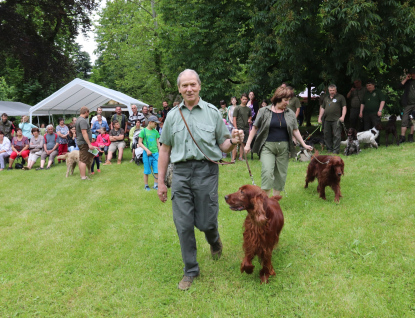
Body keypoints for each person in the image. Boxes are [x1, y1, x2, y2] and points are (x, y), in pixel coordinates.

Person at [157, 69, 244, 291]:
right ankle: (191, 270)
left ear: (199, 86)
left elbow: (223, 145)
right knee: (183, 225)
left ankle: (214, 240)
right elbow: (165, 149)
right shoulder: (172, 116)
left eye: (192, 84)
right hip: (181, 174)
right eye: (184, 85)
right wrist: (161, 182)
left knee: (206, 222)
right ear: (179, 88)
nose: (189, 89)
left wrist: (233, 141)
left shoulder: (213, 113)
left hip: (207, 172)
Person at [245, 86, 313, 196]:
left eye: (289, 100)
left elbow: (295, 130)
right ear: (278, 98)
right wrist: (247, 144)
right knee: (267, 173)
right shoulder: (264, 111)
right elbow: (255, 128)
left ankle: (274, 202)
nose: (288, 102)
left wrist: (304, 144)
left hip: (284, 148)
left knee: (281, 175)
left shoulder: (290, 113)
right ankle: (266, 201)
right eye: (286, 100)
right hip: (267, 147)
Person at [318, 84, 347, 154]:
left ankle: (336, 150)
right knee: (327, 135)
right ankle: (329, 149)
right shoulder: (326, 98)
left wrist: (343, 116)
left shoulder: (340, 97)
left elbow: (344, 107)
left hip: (336, 120)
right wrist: (319, 118)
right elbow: (322, 108)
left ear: (336, 90)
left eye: (333, 90)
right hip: (327, 120)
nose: (332, 92)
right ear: (328, 91)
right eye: (330, 90)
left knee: (337, 135)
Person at [138, 115, 161, 190]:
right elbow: (140, 143)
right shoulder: (143, 131)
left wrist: (160, 152)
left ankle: (156, 185)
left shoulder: (156, 132)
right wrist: (147, 150)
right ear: (150, 122)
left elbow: (158, 143)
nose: (156, 125)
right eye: (155, 124)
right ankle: (146, 185)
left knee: (156, 170)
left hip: (155, 154)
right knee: (147, 170)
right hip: (146, 154)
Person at [75, 106, 96, 179]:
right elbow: (84, 133)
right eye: (88, 113)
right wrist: (89, 144)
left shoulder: (78, 119)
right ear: (86, 112)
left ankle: (82, 175)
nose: (88, 115)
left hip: (81, 142)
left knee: (81, 159)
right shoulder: (82, 121)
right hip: (84, 143)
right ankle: (83, 177)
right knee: (84, 160)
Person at [233, 93, 252, 161]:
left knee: (243, 143)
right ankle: (233, 158)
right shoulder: (237, 108)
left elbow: (250, 116)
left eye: (246, 99)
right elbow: (234, 118)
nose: (244, 100)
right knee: (235, 143)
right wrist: (235, 128)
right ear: (241, 99)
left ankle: (241, 157)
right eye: (243, 99)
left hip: (246, 128)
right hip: (238, 127)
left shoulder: (248, 109)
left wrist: (250, 119)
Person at [398, 68, 415, 142]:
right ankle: (402, 137)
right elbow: (399, 86)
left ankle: (411, 136)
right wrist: (406, 79)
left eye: (413, 73)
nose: (412, 75)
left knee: (413, 121)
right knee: (404, 119)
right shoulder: (408, 82)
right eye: (411, 74)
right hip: (408, 104)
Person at [227, 97, 238, 162]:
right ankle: (232, 156)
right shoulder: (229, 108)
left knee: (236, 140)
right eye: (232, 100)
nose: (233, 101)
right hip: (231, 125)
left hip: (236, 125)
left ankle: (235, 156)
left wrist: (235, 124)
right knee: (231, 139)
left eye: (234, 100)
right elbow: (229, 116)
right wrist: (232, 122)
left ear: (236, 101)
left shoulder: (238, 107)